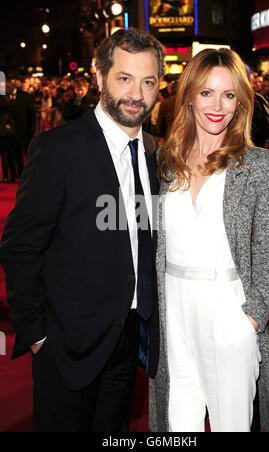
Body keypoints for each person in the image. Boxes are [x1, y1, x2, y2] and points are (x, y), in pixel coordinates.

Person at [0, 28, 165, 432]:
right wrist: (37, 335)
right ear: (99, 77)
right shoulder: (58, 149)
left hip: (129, 342)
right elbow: (20, 247)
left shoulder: (156, 153)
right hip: (67, 345)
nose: (136, 94)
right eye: (124, 78)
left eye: (148, 82)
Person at [149, 48, 269, 432]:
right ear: (189, 95)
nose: (217, 105)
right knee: (177, 426)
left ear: (240, 102)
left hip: (229, 307)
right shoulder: (165, 161)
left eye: (229, 95)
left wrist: (253, 317)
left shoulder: (259, 165)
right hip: (172, 309)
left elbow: (265, 249)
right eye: (206, 92)